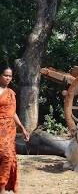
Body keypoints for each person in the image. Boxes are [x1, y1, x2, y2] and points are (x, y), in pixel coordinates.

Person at [0, 62, 30, 194]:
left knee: (8, 156)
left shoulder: (11, 93)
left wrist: (22, 128)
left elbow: (13, 113)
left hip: (9, 129)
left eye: (10, 76)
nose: (8, 78)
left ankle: (2, 187)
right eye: (5, 75)